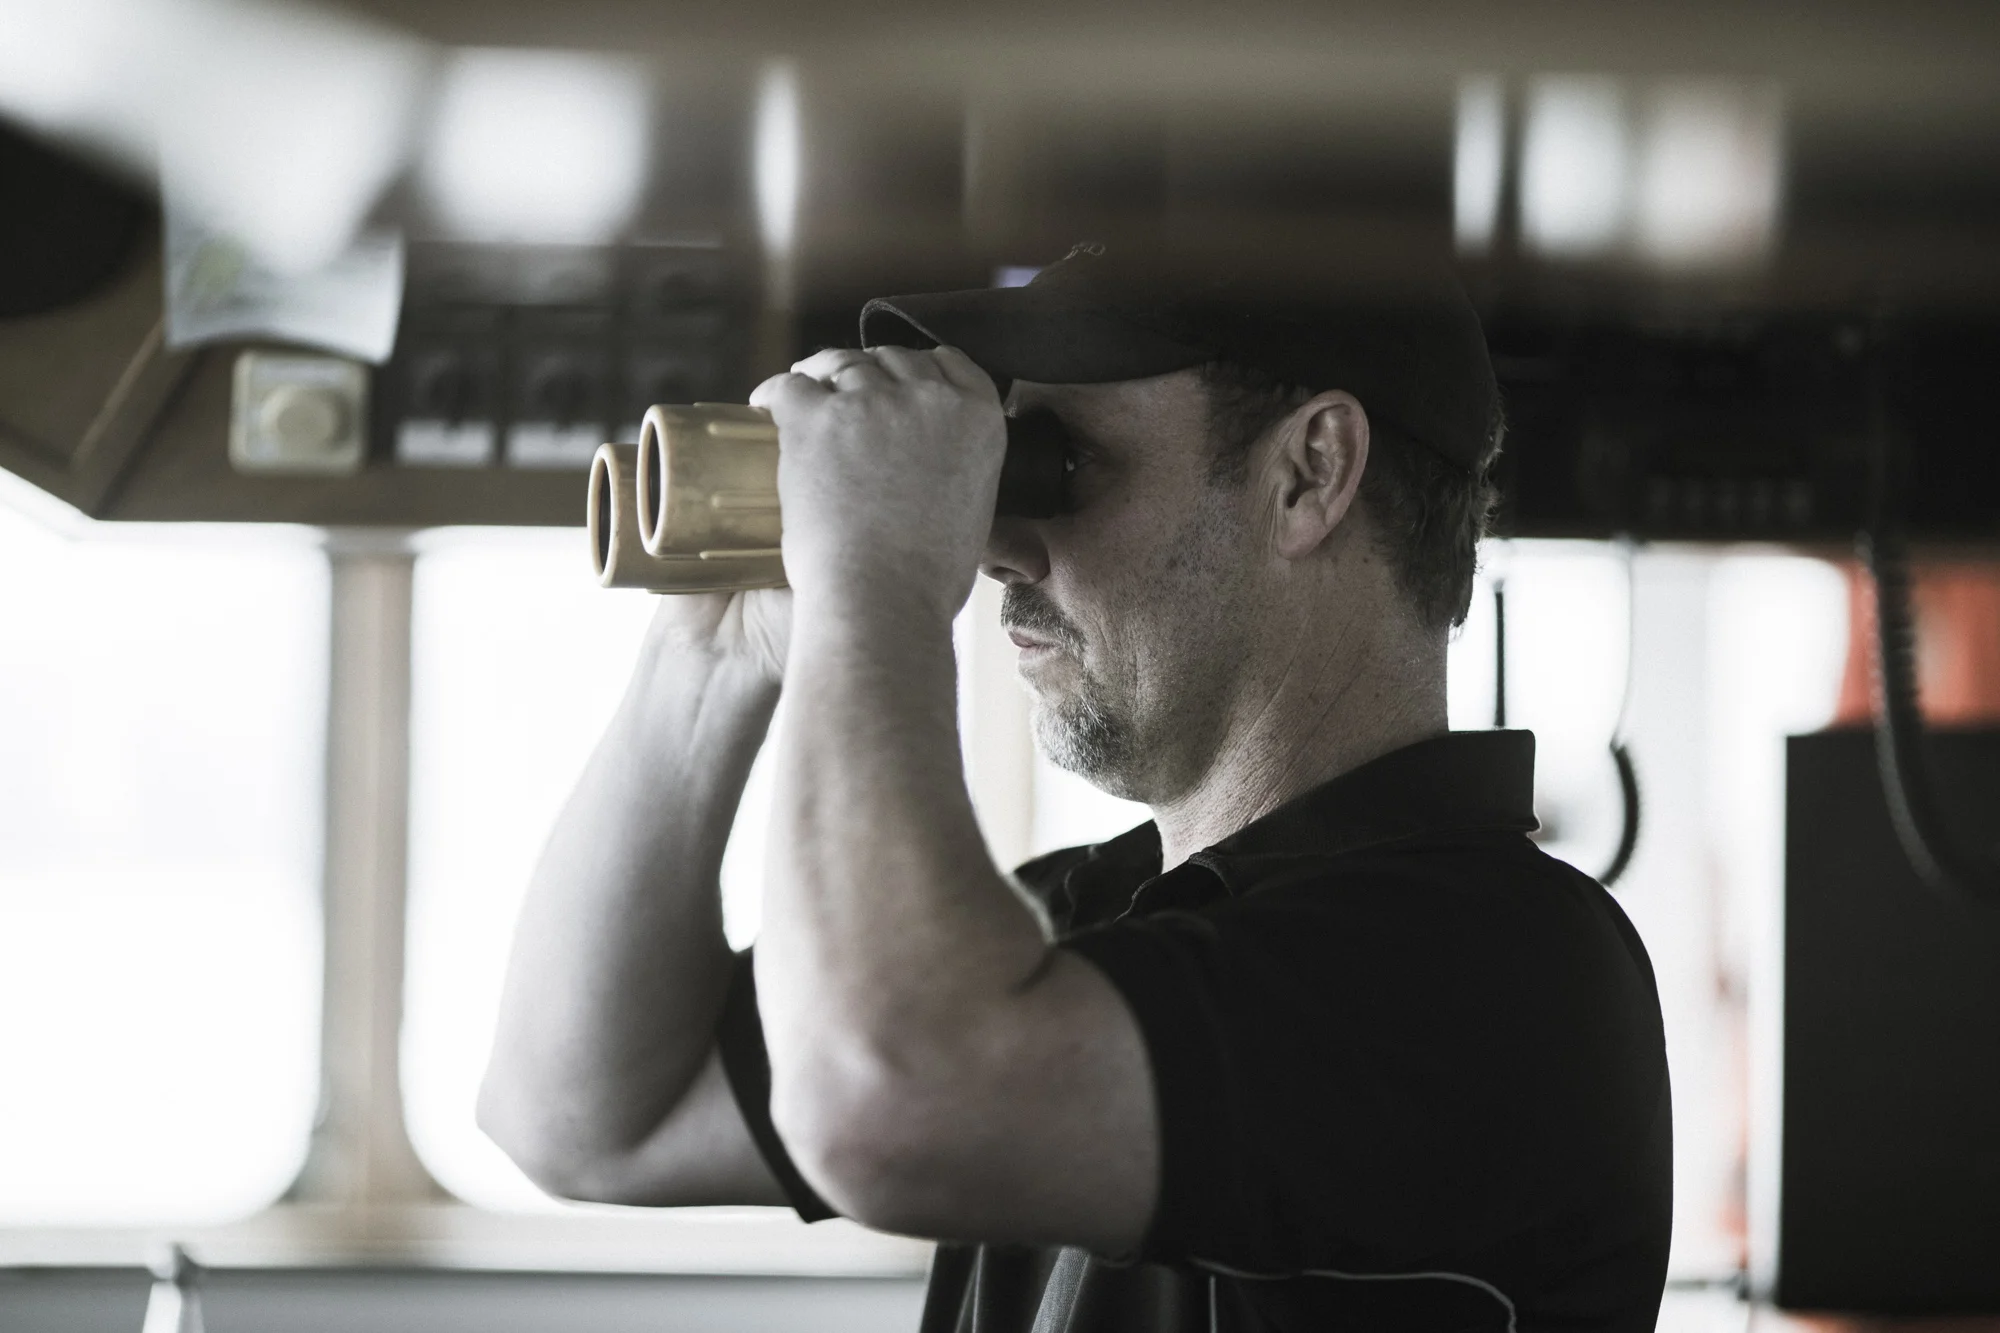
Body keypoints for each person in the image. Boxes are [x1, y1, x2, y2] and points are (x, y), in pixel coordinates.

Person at [477, 242, 1672, 1333]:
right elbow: (584, 1117)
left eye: (1055, 469)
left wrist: (875, 578)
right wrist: (719, 648)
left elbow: (884, 1102)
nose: (993, 548)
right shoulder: (1085, 925)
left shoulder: (1496, 971)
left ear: (1309, 473)